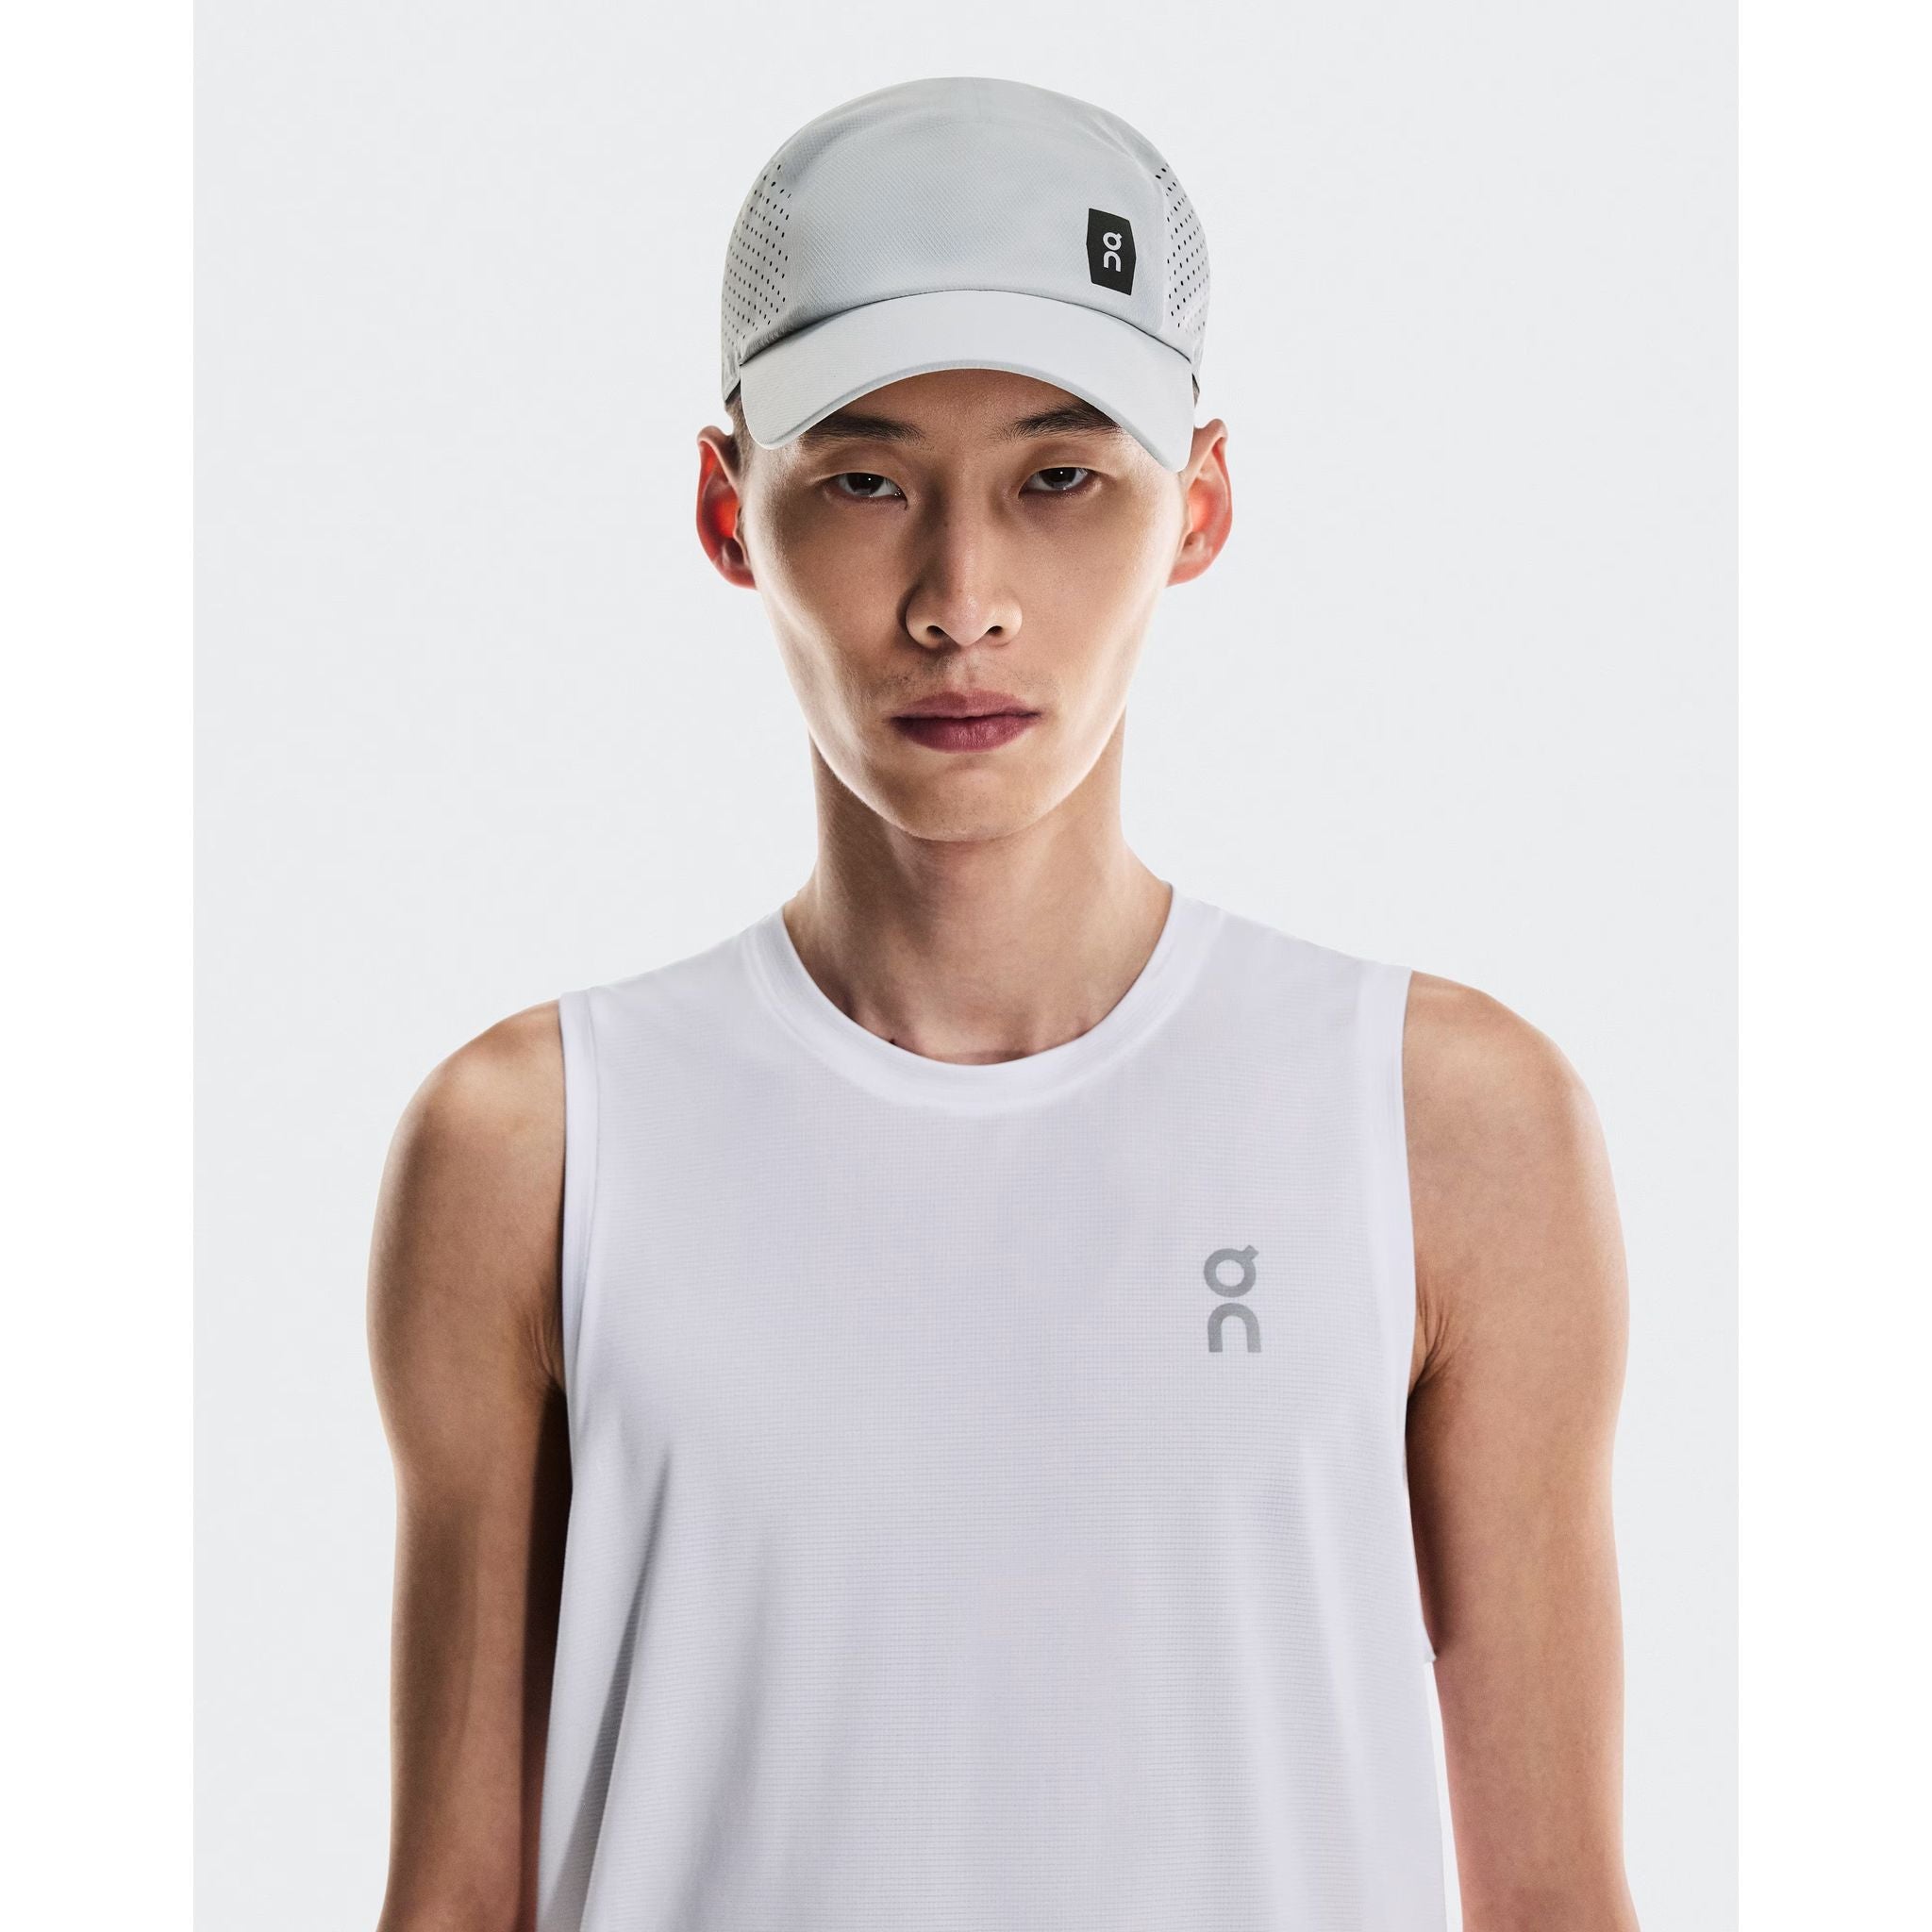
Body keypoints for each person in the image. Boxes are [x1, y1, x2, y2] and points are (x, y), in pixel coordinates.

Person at [367, 75, 1641, 1932]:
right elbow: (450, 1902)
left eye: (1059, 480)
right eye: (865, 480)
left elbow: (1556, 1903)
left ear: (1197, 505)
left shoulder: (1444, 1122)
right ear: (728, 510)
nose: (961, 600)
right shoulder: (534, 1142)